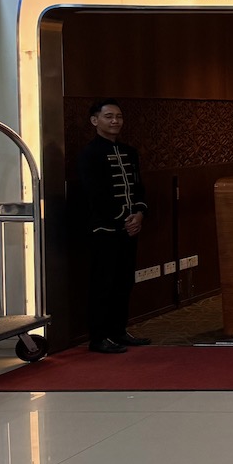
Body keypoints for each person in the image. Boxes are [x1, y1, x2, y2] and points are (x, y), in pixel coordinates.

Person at [77, 99, 152, 354]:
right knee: (103, 283)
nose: (115, 121)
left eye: (118, 116)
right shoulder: (90, 153)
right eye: (109, 116)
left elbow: (138, 187)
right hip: (104, 230)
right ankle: (98, 336)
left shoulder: (129, 152)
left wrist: (139, 213)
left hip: (130, 229)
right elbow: (94, 194)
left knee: (124, 281)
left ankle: (118, 331)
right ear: (94, 120)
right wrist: (123, 217)